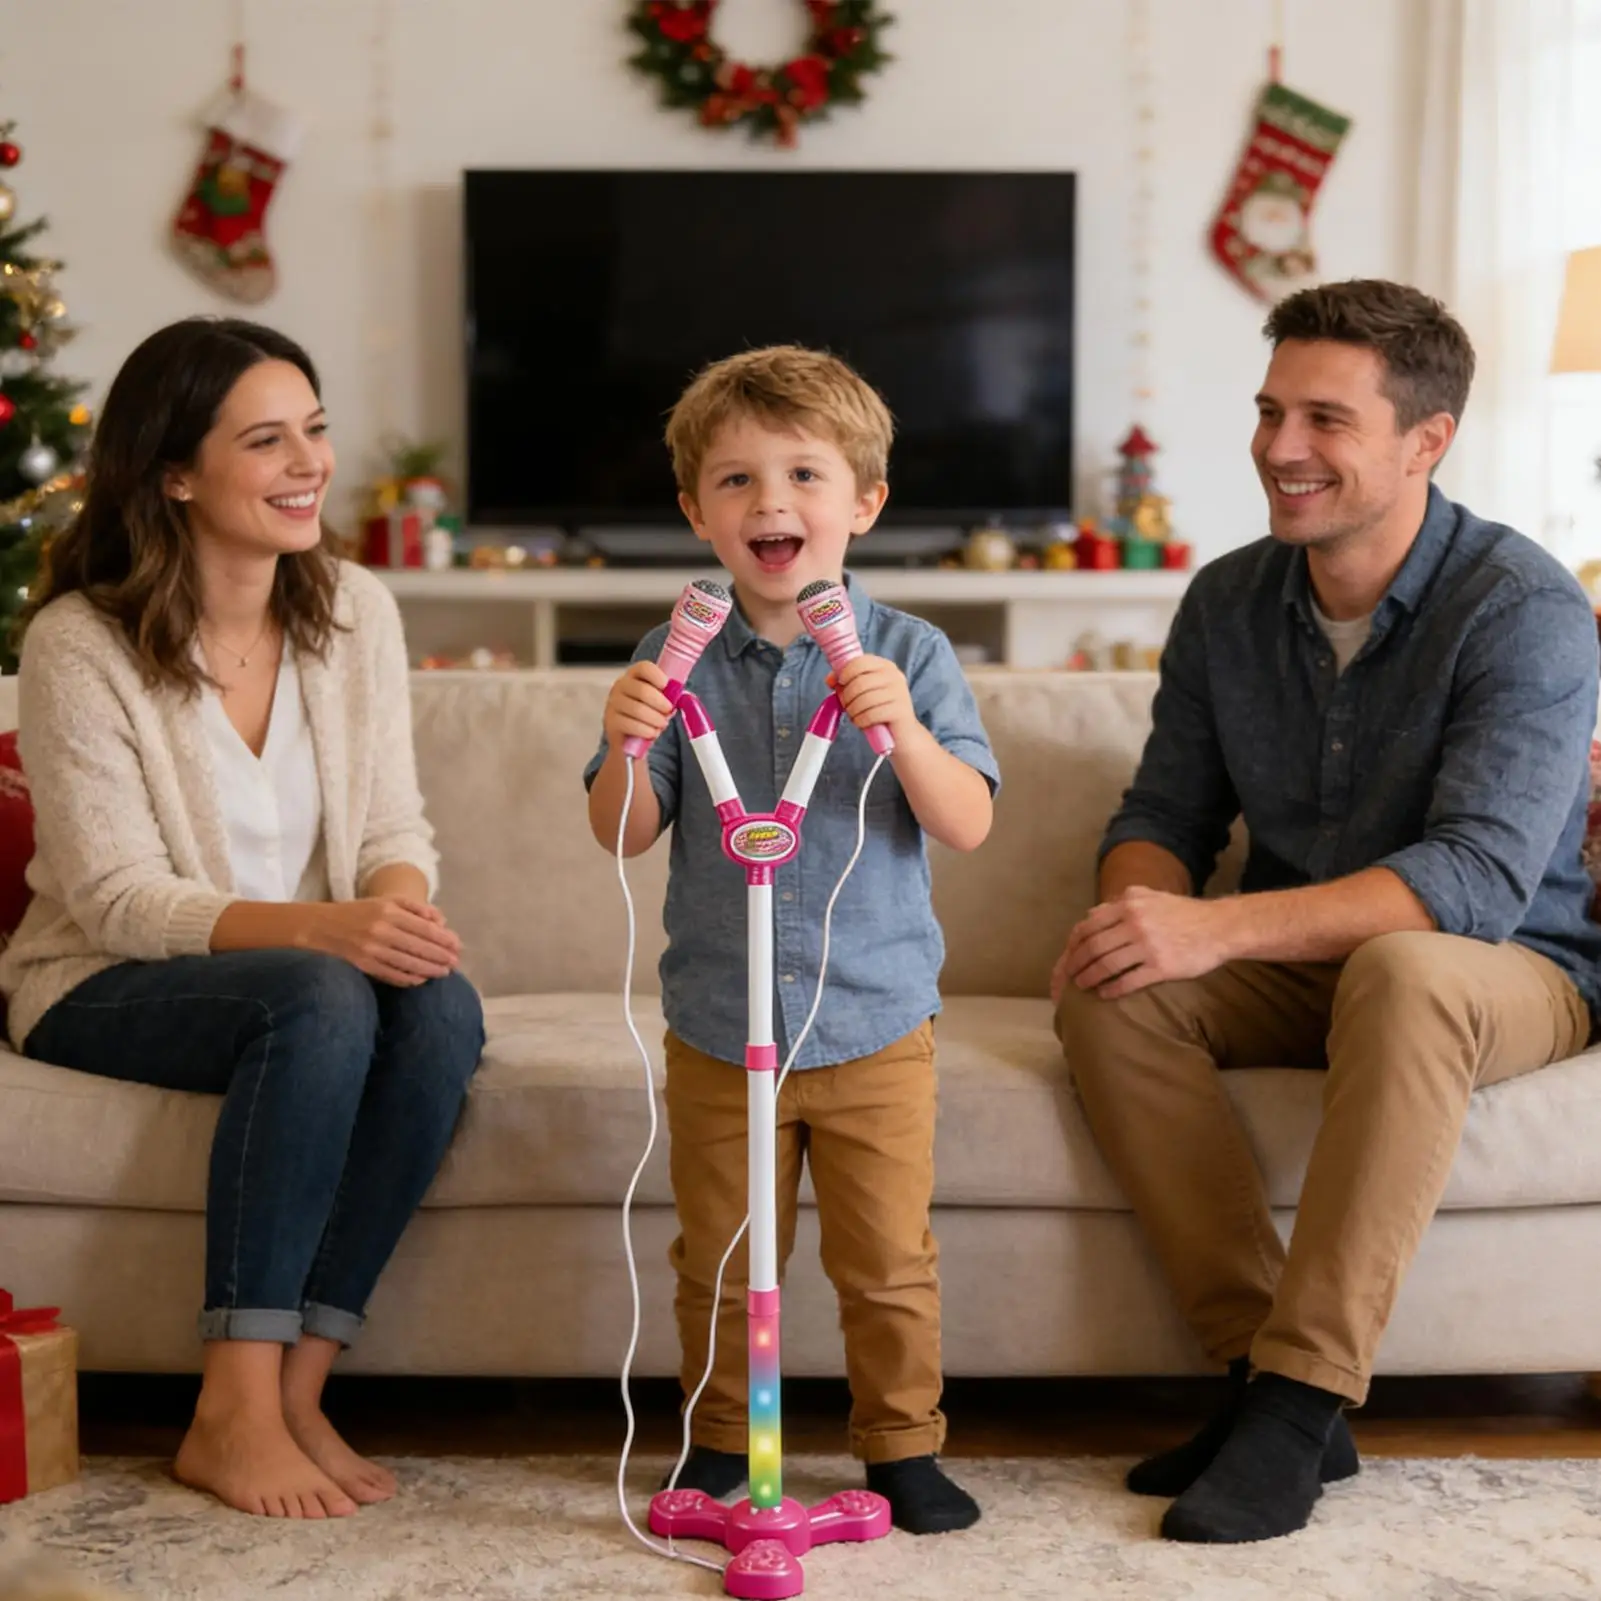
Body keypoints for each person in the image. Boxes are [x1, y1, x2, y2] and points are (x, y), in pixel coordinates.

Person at [1053, 279, 1600, 1544]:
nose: (1278, 447)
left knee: (1405, 969)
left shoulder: (1523, 608)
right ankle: (1260, 1384)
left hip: (1507, 964)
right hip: (1312, 959)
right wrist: (1139, 919)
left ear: (1425, 440)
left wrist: (1215, 928)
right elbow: (1161, 814)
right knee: (1102, 984)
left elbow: (1472, 878)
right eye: (1266, 410)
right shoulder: (1227, 601)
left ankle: (1303, 1396)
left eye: (1323, 418)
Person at [0, 318, 484, 1521]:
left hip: (294, 977)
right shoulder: (79, 643)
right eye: (265, 440)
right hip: (97, 979)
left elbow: (391, 830)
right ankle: (229, 1405)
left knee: (439, 1010)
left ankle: (298, 1389)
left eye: (313, 430)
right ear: (174, 471)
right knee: (318, 987)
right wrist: (332, 934)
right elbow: (114, 896)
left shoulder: (352, 610)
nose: (307, 462)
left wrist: (398, 917)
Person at [584, 346, 999, 1535]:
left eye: (804, 473)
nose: (770, 503)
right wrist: (623, 739)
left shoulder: (911, 651)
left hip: (872, 1020)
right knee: (718, 1253)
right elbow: (622, 832)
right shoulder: (677, 658)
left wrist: (904, 732)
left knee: (884, 1259)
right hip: (721, 1024)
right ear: (694, 512)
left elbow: (964, 820)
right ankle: (720, 1439)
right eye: (735, 480)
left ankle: (901, 1447)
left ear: (863, 502)